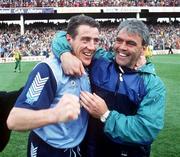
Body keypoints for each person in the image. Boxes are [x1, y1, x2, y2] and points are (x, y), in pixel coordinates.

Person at [52, 19, 166, 157]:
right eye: (119, 40)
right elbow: (63, 36)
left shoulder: (153, 85)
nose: (122, 47)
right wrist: (65, 54)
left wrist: (105, 115)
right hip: (90, 151)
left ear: (143, 48)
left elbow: (145, 130)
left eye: (130, 43)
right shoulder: (101, 60)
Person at [7, 15, 100, 157]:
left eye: (96, 40)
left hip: (78, 147)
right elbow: (15, 120)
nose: (92, 47)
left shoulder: (89, 63)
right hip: (47, 149)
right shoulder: (48, 70)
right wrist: (55, 114)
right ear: (69, 39)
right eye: (85, 40)